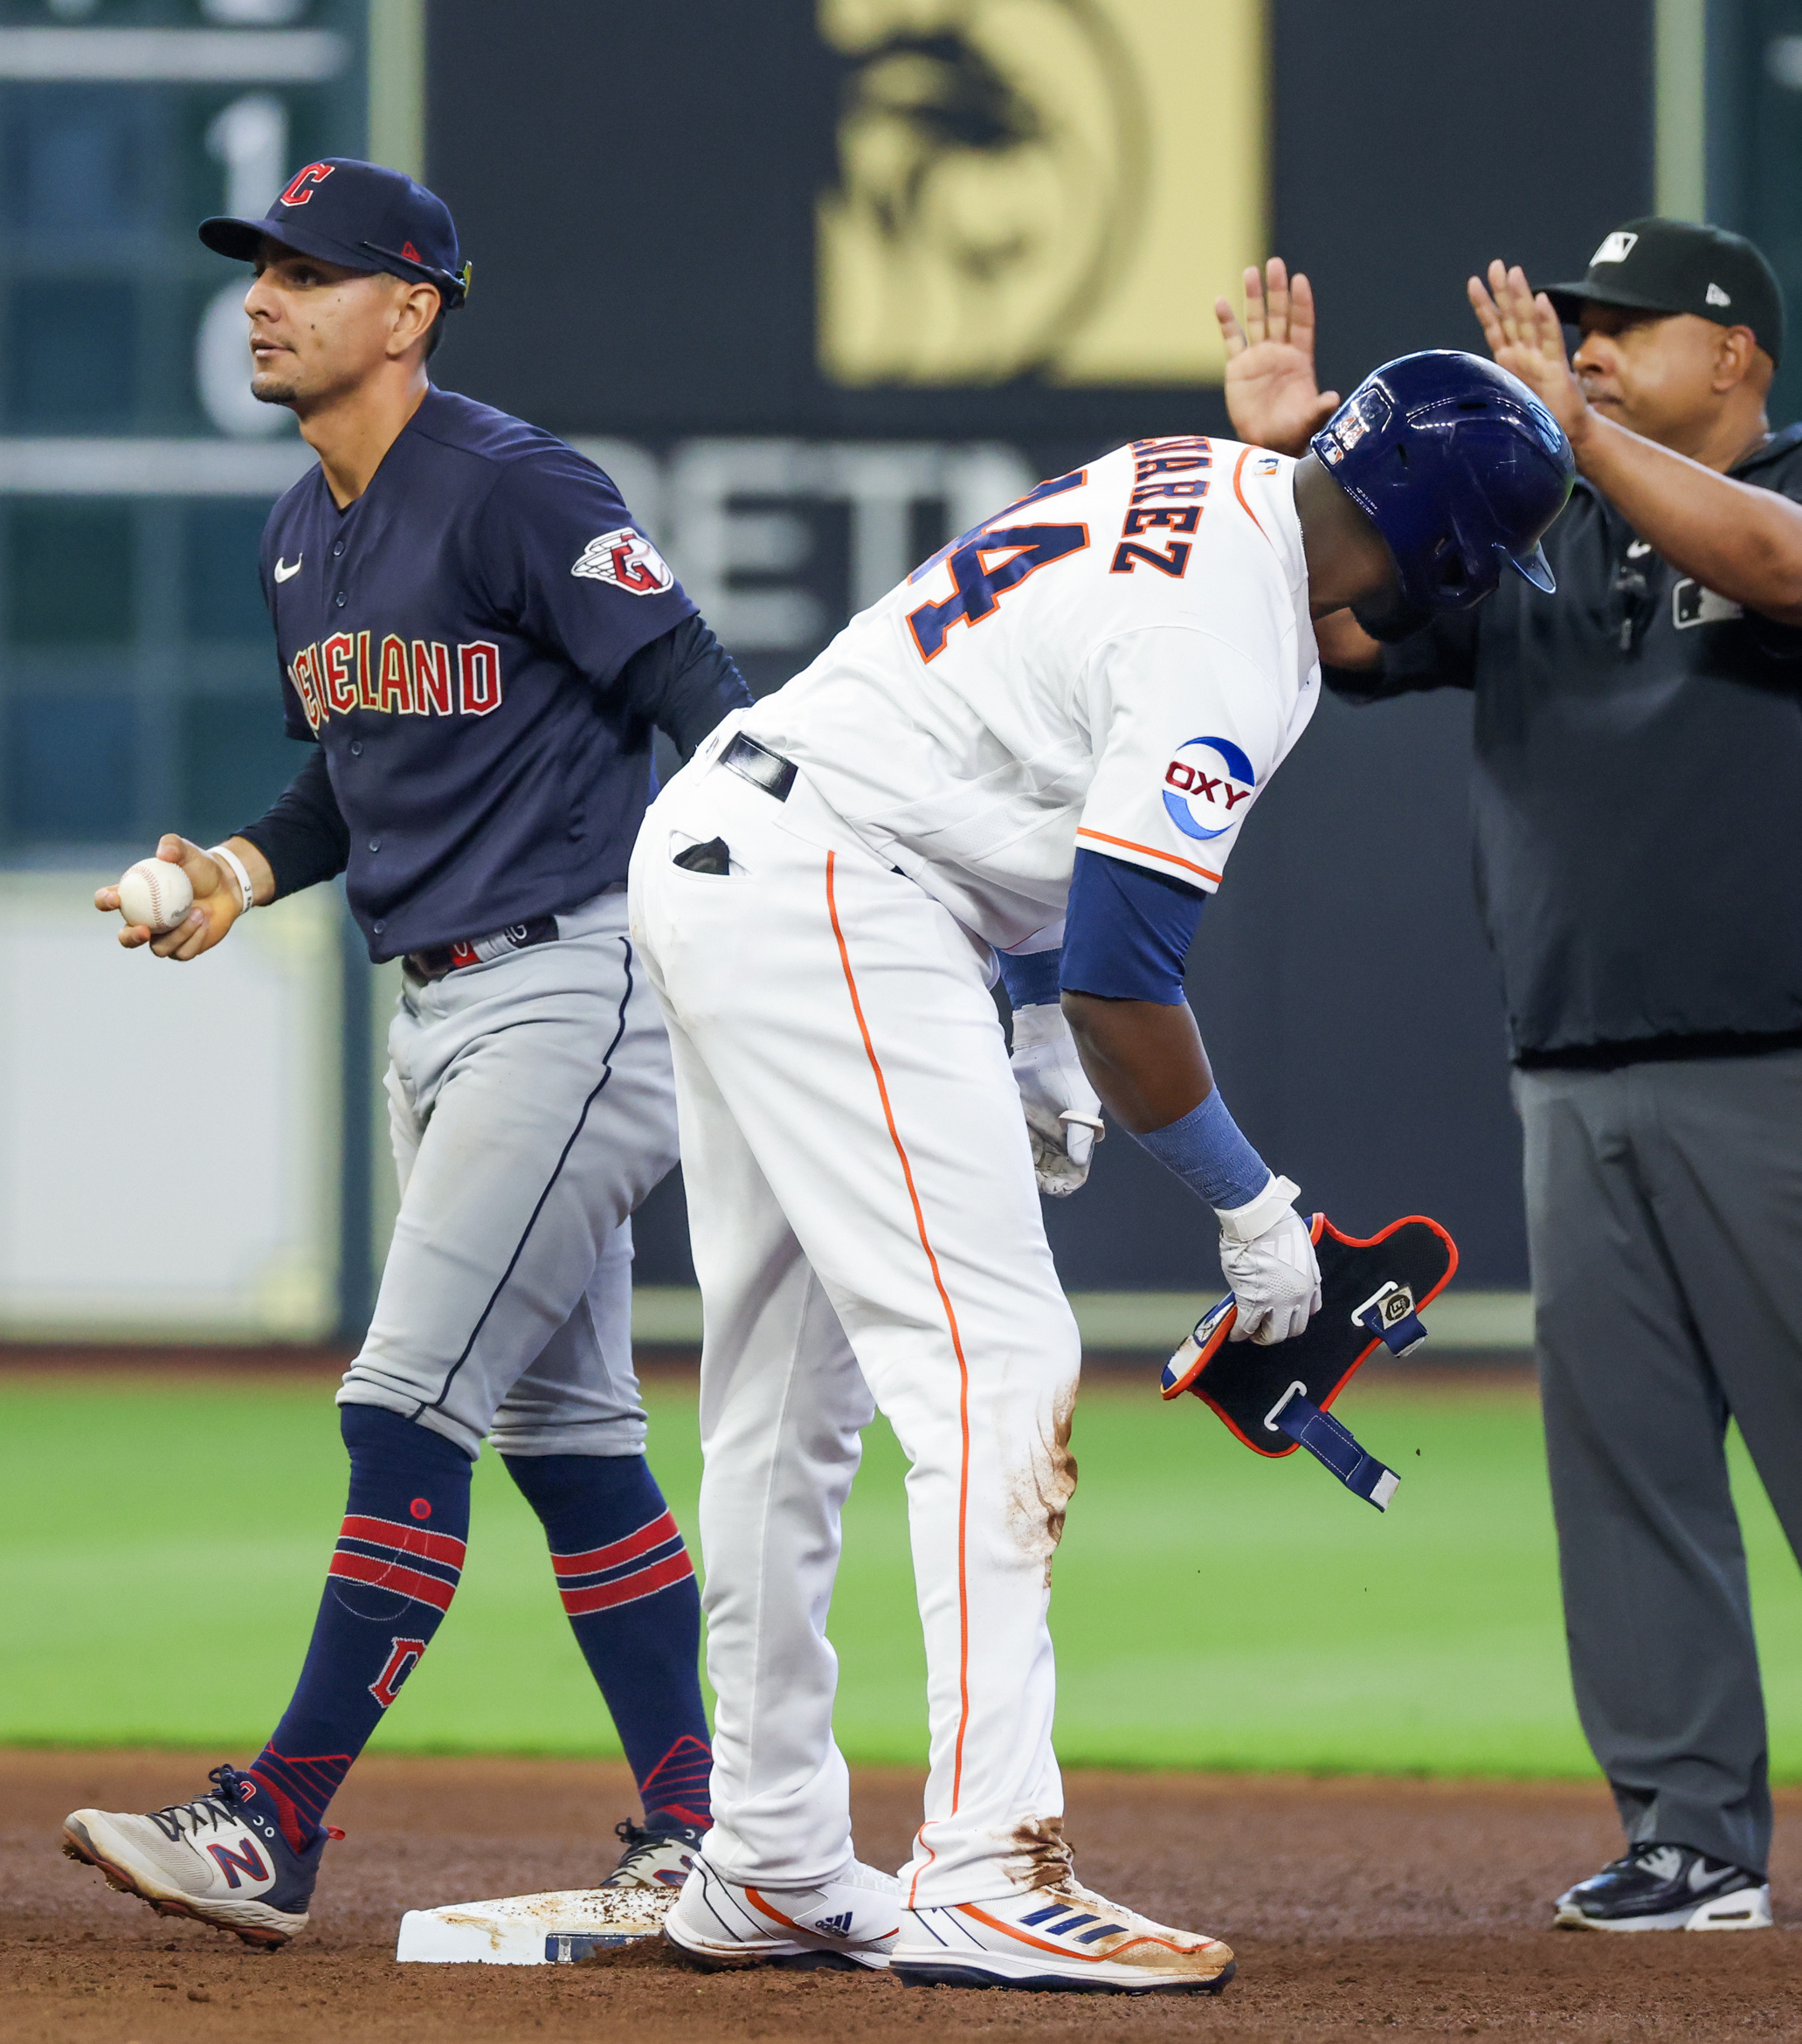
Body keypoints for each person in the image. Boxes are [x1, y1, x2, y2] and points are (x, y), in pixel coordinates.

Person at [625, 357, 1573, 1991]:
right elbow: (1130, 976)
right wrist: (1251, 1203)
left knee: (786, 1401)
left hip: (752, 851)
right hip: (845, 886)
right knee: (1001, 1363)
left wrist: (1038, 1028)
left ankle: (772, 1852)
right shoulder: (1238, 631)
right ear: (1448, 554)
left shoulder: (1200, 475)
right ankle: (988, 1862)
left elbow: (1032, 751)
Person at [1216, 224, 1802, 1938]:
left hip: (1790, 1059)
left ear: (1738, 351)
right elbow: (1338, 636)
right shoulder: (1533, 527)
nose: (1591, 348)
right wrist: (1274, 464)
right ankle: (1691, 1837)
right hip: (1571, 1063)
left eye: (1628, 328)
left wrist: (1579, 435)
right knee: (1625, 1469)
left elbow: (1798, 576)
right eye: (1580, 330)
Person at [57, 158, 752, 1950]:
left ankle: (272, 1821)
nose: (262, 297)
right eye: (258, 268)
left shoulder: (517, 488)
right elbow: (341, 777)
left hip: (575, 987)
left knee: (401, 1400)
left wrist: (757, 919)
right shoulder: (302, 529)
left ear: (411, 305)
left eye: (306, 269)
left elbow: (707, 700)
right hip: (436, 1011)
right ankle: (706, 1826)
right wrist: (234, 869)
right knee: (575, 1443)